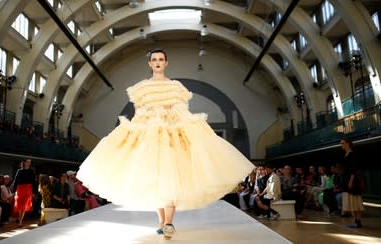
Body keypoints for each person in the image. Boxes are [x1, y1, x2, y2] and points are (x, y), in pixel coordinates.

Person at [77, 48, 255, 239]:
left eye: (161, 59)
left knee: (171, 178)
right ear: (150, 64)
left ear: (166, 62)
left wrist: (182, 126)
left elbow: (181, 110)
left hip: (170, 135)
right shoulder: (141, 88)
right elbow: (138, 112)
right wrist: (136, 131)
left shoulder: (176, 87)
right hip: (150, 136)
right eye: (154, 59)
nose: (158, 62)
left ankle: (169, 222)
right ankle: (162, 222)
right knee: (157, 181)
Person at [339, 138, 364, 228]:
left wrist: (351, 181)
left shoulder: (352, 155)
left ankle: (358, 222)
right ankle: (356, 221)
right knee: (351, 203)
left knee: (355, 202)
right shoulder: (346, 154)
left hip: (352, 181)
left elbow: (353, 169)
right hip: (347, 180)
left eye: (342, 143)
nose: (341, 145)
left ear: (348, 144)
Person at [12, 158, 35, 226]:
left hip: (28, 189)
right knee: (20, 206)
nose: (29, 163)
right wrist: (14, 191)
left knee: (24, 206)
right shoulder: (19, 171)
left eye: (30, 162)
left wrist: (33, 192)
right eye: (27, 162)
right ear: (24, 163)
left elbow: (33, 182)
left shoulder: (31, 171)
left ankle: (20, 222)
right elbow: (15, 181)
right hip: (20, 189)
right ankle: (19, 219)